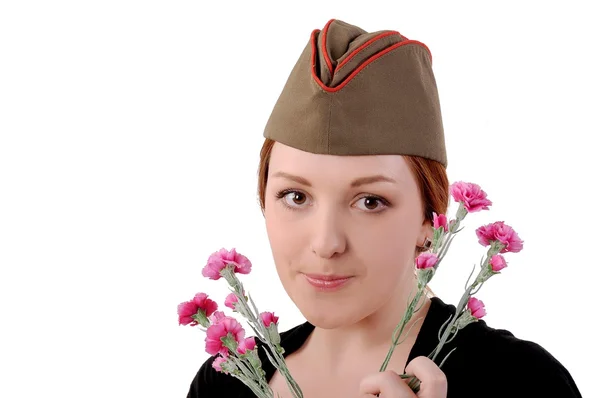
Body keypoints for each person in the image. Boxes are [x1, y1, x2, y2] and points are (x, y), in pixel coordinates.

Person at [186, 19, 582, 397]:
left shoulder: (522, 382)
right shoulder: (227, 381)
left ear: (432, 222)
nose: (326, 244)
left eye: (370, 201)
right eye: (296, 196)